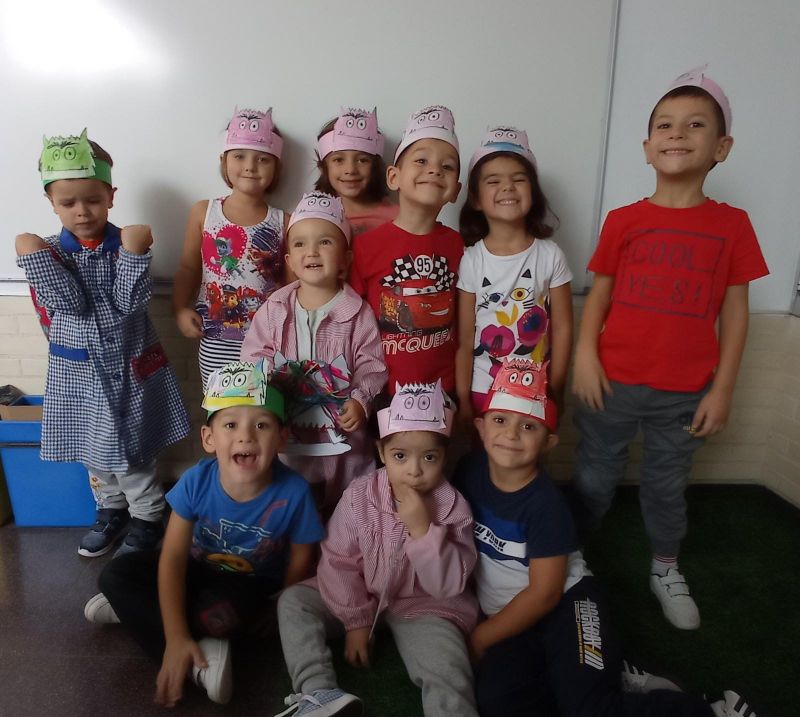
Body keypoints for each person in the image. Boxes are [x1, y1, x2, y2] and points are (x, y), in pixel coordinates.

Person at [571, 66, 769, 630]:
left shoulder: (733, 225)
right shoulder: (623, 220)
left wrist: (723, 390)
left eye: (695, 124)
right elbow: (599, 296)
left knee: (665, 484)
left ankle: (664, 566)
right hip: (611, 382)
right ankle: (568, 554)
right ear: (646, 146)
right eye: (664, 124)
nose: (677, 133)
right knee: (594, 476)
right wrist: (585, 355)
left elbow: (735, 313)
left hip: (685, 392)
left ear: (722, 147)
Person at [456, 358, 756, 717]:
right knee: (497, 701)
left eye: (529, 426)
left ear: (549, 442)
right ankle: (605, 673)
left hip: (567, 604)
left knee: (590, 710)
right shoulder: (470, 471)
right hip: (512, 617)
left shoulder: (545, 505)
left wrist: (481, 637)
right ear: (480, 427)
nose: (510, 435)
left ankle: (715, 710)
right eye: (499, 420)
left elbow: (544, 594)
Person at [83, 360, 324, 707]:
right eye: (230, 424)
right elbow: (172, 557)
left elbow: (302, 559)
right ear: (209, 438)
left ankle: (136, 612)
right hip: (195, 571)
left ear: (282, 438)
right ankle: (194, 658)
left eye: (261, 424)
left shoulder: (295, 493)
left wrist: (279, 607)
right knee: (115, 574)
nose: (245, 436)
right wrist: (175, 637)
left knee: (223, 618)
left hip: (248, 586)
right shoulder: (196, 480)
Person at [15, 129, 190, 558]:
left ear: (111, 196)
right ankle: (111, 510)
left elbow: (128, 305)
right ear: (51, 202)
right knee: (92, 453)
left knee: (132, 453)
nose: (81, 211)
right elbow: (69, 304)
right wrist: (33, 255)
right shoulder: (49, 252)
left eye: (92, 200)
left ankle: (148, 516)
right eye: (67, 203)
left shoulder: (126, 246)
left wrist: (134, 253)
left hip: (129, 370)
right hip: (78, 374)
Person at [275, 382, 479, 717]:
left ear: (444, 456)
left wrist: (423, 531)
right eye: (400, 456)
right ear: (381, 453)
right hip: (363, 591)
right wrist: (355, 621)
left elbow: (447, 585)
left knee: (446, 664)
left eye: (429, 457)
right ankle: (318, 692)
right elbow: (339, 560)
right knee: (293, 602)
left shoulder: (453, 507)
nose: (414, 470)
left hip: (425, 605)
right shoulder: (360, 494)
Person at [241, 192, 387, 515]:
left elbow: (371, 364)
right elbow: (254, 356)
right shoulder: (275, 309)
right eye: (300, 244)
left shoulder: (358, 313)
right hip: (288, 436)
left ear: (345, 259)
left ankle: (344, 535)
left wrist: (360, 400)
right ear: (289, 260)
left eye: (325, 242)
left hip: (342, 440)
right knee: (289, 502)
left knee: (347, 502)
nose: (312, 251)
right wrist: (267, 386)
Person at [456, 126, 573, 423]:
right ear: (476, 199)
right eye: (494, 181)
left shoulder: (551, 255)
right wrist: (463, 399)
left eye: (519, 179)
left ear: (533, 192)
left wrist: (556, 388)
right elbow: (465, 339)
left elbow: (563, 329)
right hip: (483, 390)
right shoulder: (471, 260)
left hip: (534, 390)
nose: (508, 187)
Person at [349, 105, 464, 396]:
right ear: (393, 177)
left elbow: (465, 324)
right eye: (421, 160)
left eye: (447, 166)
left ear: (456, 190)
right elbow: (350, 323)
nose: (434, 170)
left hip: (443, 391)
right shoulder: (365, 246)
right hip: (380, 390)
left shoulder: (459, 246)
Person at [172, 106, 288, 388]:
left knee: (262, 405)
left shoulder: (285, 221)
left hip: (267, 341)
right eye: (239, 156)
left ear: (277, 167)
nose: (250, 166)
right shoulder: (204, 212)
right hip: (215, 338)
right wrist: (179, 308)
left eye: (263, 159)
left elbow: (289, 284)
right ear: (223, 161)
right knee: (219, 406)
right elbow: (188, 267)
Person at [314, 106, 398, 237]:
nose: (351, 170)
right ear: (324, 167)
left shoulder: (398, 218)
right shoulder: (313, 216)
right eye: (338, 160)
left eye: (362, 160)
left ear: (375, 166)